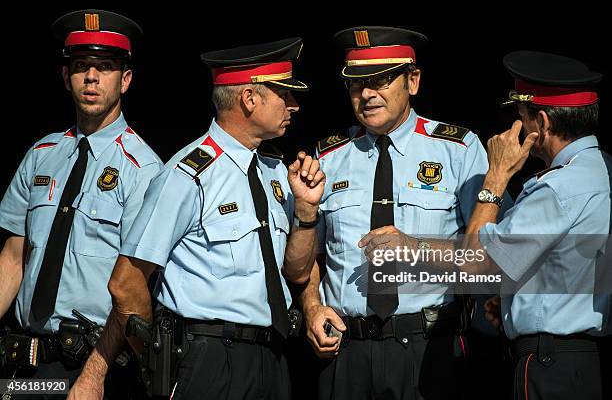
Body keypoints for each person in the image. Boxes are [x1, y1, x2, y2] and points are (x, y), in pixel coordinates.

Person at [69, 37, 325, 400]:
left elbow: (296, 273)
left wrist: (305, 212)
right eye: (285, 94)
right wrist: (157, 358)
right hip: (210, 361)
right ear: (249, 100)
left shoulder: (276, 172)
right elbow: (126, 282)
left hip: (273, 357)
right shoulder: (187, 175)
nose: (295, 106)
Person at [362, 50, 611, 399]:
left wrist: (494, 179)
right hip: (579, 359)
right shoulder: (601, 170)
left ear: (543, 121)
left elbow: (476, 264)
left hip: (549, 361)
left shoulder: (558, 188)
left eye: (520, 115)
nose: (517, 126)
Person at [300, 26, 505, 400]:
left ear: (413, 81)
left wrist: (415, 247)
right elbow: (309, 255)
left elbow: (492, 258)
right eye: (355, 84)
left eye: (379, 80)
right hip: (347, 350)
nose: (367, 94)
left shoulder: (458, 150)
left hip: (430, 350)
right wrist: (312, 306)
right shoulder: (327, 157)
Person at [0, 9, 162, 398]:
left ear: (125, 80)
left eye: (104, 67)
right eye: (81, 66)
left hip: (95, 363)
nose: (91, 77)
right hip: (26, 360)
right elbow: (12, 258)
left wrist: (94, 375)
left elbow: (135, 286)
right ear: (65, 76)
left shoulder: (144, 169)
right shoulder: (42, 155)